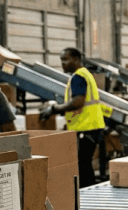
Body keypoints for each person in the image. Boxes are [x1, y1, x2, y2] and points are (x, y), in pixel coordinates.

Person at [41, 47, 109, 187]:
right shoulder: (85, 74)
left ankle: (87, 196)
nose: (63, 63)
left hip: (86, 127)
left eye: (65, 59)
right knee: (85, 164)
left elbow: (77, 102)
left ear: (77, 59)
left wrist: (54, 109)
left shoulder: (78, 77)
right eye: (61, 60)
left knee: (83, 165)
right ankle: (88, 194)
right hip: (91, 126)